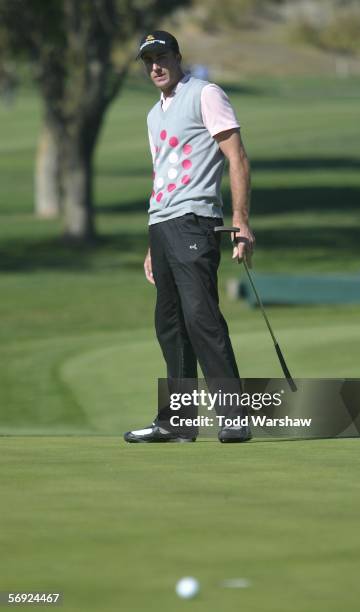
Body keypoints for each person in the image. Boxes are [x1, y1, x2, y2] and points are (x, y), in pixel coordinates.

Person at [124, 31, 255, 444]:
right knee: (170, 324)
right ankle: (176, 422)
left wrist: (240, 219)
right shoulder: (152, 114)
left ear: (178, 57)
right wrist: (152, 243)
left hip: (196, 220)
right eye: (149, 61)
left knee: (201, 317)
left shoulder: (205, 94)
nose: (156, 66)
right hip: (162, 225)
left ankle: (234, 416)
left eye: (162, 57)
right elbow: (162, 175)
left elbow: (236, 156)